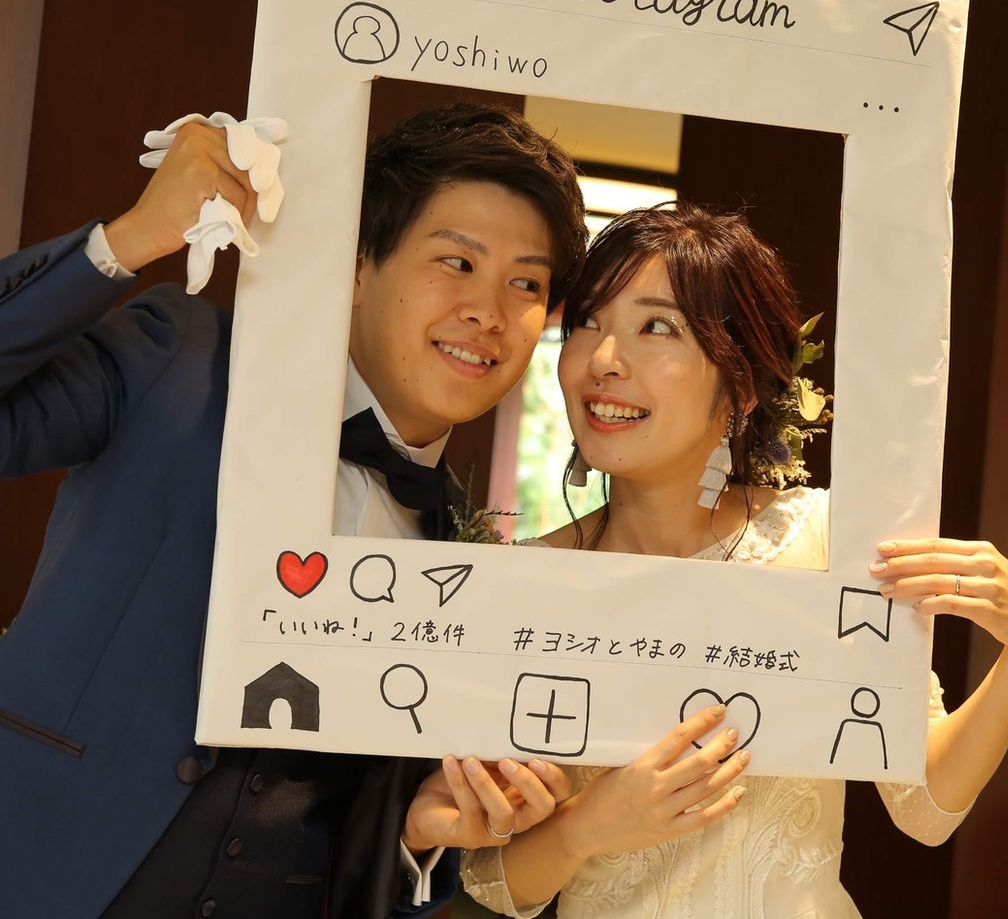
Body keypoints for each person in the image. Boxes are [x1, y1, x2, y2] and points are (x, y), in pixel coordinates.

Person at [0, 103, 587, 918]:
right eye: (457, 262)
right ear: (357, 266)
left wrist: (418, 840)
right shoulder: (182, 357)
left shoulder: (466, 554)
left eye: (526, 284)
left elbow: (368, 854)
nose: (489, 312)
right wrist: (128, 238)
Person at [460, 202, 1008, 918]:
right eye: (588, 321)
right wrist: (589, 826)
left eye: (658, 327)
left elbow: (925, 807)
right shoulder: (530, 580)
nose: (604, 360)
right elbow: (490, 880)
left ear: (740, 385)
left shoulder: (826, 541)